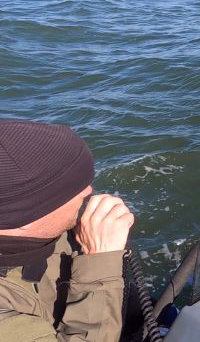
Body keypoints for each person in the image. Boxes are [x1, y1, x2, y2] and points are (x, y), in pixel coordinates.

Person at [0, 120, 135, 341]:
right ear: (24, 217)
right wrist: (99, 261)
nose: (88, 190)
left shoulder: (35, 234)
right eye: (68, 190)